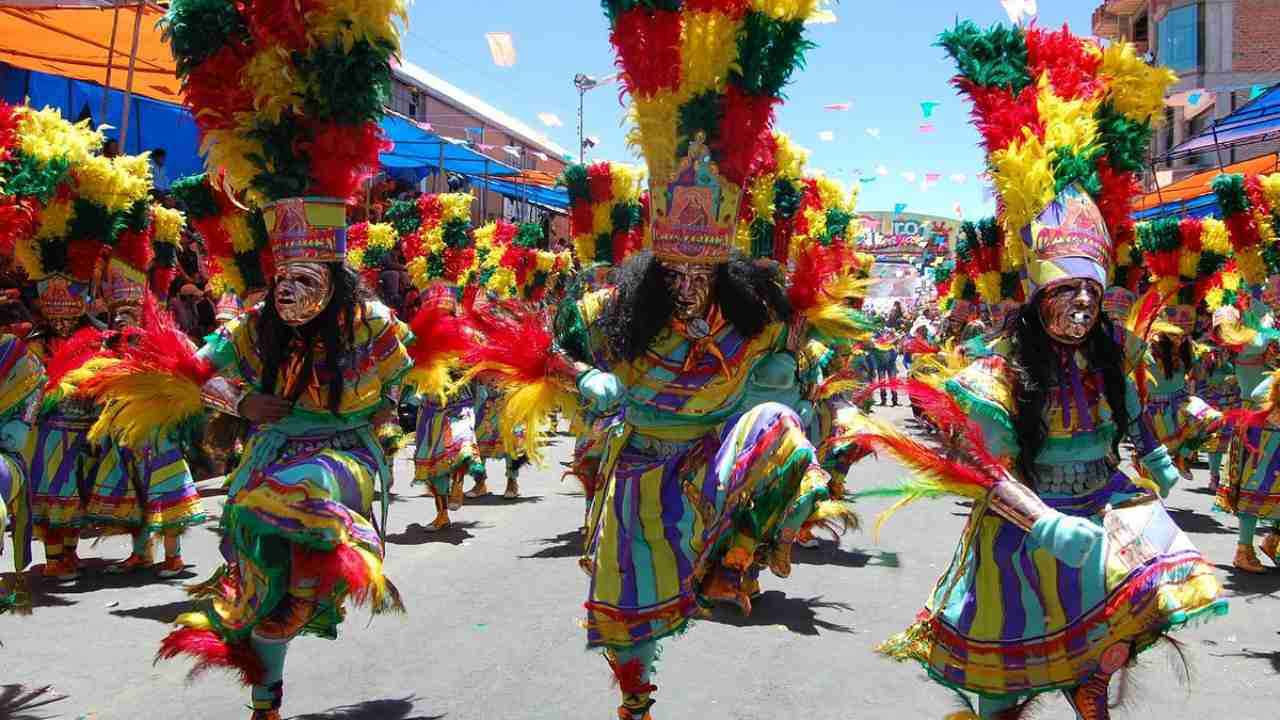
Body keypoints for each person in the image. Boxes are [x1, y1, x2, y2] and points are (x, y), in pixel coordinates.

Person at [865, 23, 1225, 720]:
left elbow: (1131, 417)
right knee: (1001, 690)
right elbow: (988, 475)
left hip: (1104, 513)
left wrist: (1152, 458)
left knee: (1120, 634)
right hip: (1023, 538)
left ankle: (1094, 673)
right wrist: (1044, 521)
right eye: (1068, 290)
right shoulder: (993, 381)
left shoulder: (1111, 361)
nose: (1084, 303)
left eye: (1092, 290)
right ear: (1036, 299)